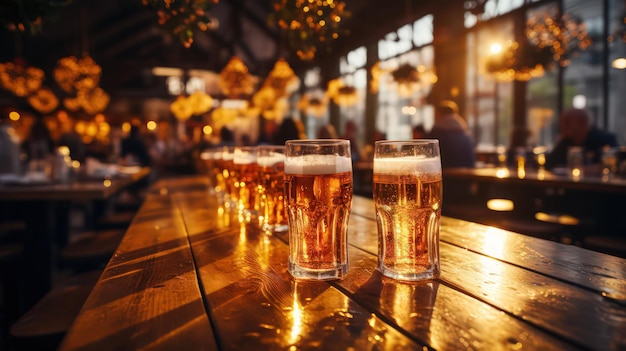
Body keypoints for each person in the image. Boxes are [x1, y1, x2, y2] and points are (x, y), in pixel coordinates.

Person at [545, 108, 618, 171]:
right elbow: (549, 164)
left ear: (583, 122)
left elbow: (614, 166)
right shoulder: (565, 141)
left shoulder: (605, 139)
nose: (562, 125)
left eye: (567, 122)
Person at [426, 100, 476, 168]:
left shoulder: (437, 131)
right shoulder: (464, 131)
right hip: (468, 173)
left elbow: (427, 155)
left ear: (439, 113)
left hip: (447, 174)